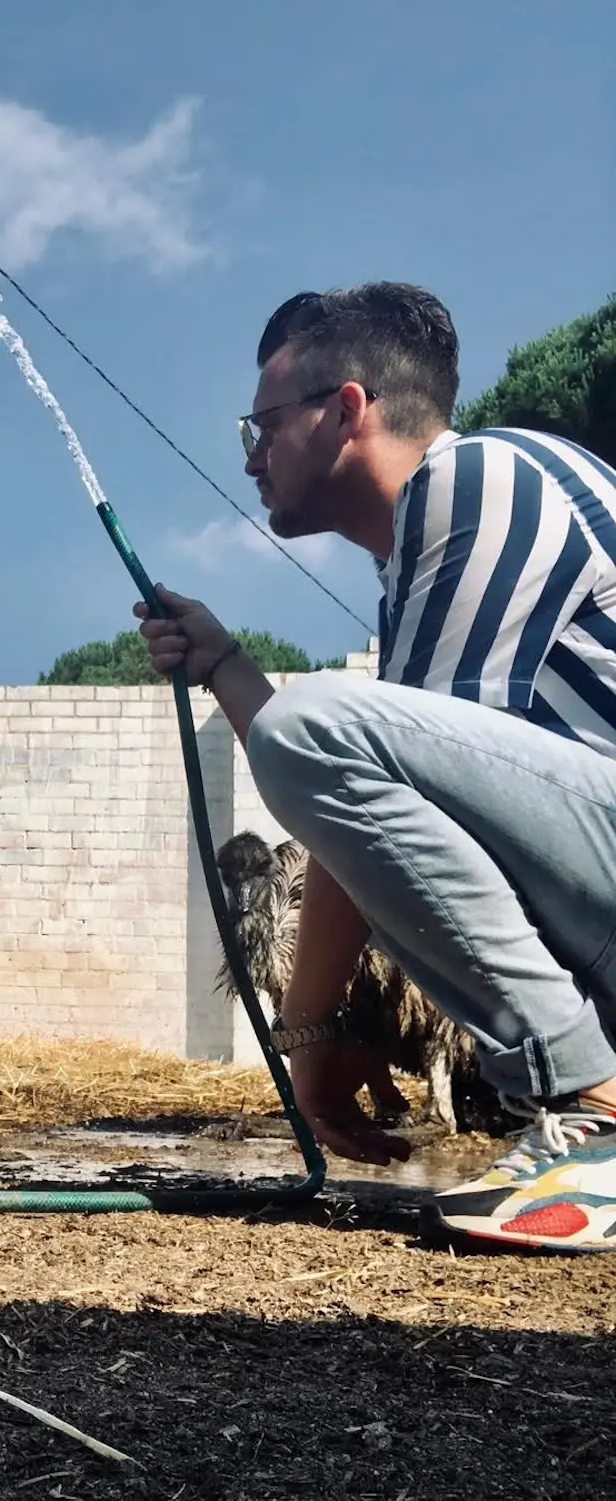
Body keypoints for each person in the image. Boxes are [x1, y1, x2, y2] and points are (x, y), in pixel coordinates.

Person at [136, 281, 616, 1253]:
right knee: (313, 724)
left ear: (346, 409)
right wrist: (226, 664)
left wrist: (310, 1027)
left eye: (262, 424)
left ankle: (595, 1109)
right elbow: (374, 814)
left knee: (313, 720)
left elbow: (337, 767)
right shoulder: (425, 569)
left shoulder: (482, 481)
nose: (250, 457)